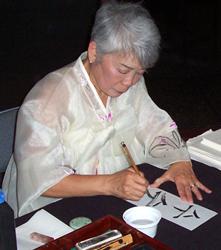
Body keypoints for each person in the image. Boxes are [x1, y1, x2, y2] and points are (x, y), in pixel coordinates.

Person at [3, 0, 211, 217]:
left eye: (140, 72)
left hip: (116, 201)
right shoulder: (47, 100)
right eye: (123, 70)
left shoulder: (130, 82)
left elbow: (154, 124)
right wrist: (110, 183)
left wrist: (179, 161)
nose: (130, 82)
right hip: (54, 214)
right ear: (94, 52)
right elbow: (42, 181)